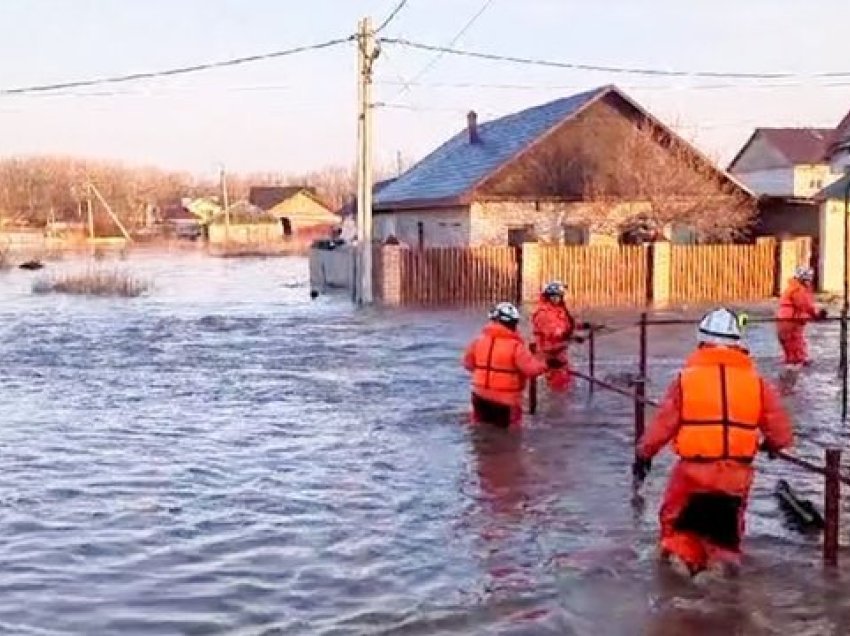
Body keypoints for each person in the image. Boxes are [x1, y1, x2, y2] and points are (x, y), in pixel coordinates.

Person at [633, 307, 794, 578]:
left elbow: (663, 426)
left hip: (693, 472)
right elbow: (781, 432)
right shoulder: (757, 383)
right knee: (727, 535)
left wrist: (643, 454)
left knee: (677, 529)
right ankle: (722, 582)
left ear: (701, 342)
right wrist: (772, 446)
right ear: (738, 344)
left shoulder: (685, 380)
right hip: (736, 475)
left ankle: (680, 582)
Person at [463, 302, 548, 429]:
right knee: (510, 439)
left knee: (480, 433)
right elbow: (531, 370)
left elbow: (468, 364)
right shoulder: (516, 346)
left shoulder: (477, 341)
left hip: (479, 396)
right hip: (506, 401)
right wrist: (545, 364)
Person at [532, 281, 590, 391]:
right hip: (549, 355)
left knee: (567, 384)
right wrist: (572, 337)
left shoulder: (559, 310)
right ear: (547, 297)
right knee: (559, 387)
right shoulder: (543, 313)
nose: (556, 298)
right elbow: (552, 332)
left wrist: (583, 326)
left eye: (558, 296)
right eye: (553, 296)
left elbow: (566, 324)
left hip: (560, 353)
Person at [776, 266, 827, 367]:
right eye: (809, 278)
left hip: (785, 321)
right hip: (792, 321)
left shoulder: (792, 288)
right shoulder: (799, 290)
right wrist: (817, 315)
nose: (810, 281)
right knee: (796, 347)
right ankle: (796, 368)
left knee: (790, 348)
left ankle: (790, 371)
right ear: (804, 279)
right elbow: (805, 305)